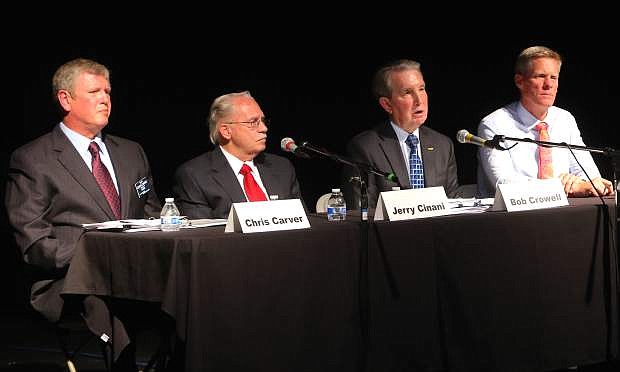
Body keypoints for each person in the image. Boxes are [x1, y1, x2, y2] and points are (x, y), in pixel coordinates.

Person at [6, 58, 162, 370]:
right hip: (73, 282)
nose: (105, 98)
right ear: (65, 99)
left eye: (107, 91)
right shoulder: (34, 159)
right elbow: (33, 242)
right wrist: (94, 254)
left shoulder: (132, 152)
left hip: (136, 272)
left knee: (194, 292)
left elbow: (151, 210)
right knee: (110, 303)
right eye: (93, 91)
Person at [477, 46, 614, 197]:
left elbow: (588, 174)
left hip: (566, 211)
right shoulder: (493, 124)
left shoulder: (564, 119)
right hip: (510, 217)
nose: (548, 84)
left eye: (554, 77)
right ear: (519, 81)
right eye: (540, 76)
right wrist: (559, 186)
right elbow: (502, 183)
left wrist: (588, 183)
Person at [343, 59, 461, 209]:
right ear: (387, 104)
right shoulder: (365, 148)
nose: (419, 100)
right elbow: (362, 213)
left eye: (421, 89)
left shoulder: (443, 145)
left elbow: (453, 203)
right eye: (407, 92)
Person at [172, 91, 303, 218]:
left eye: (263, 121)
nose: (264, 128)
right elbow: (202, 235)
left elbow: (304, 224)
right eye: (253, 122)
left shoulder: (282, 168)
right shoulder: (195, 175)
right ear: (226, 131)